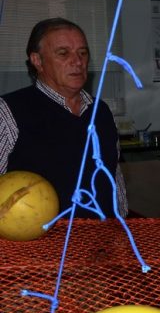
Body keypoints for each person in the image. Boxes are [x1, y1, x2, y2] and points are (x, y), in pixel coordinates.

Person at [0, 17, 127, 218]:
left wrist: (121, 222)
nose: (77, 62)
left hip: (104, 234)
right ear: (37, 61)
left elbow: (114, 176)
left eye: (83, 53)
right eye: (63, 53)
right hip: (43, 237)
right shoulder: (8, 111)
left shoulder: (101, 111)